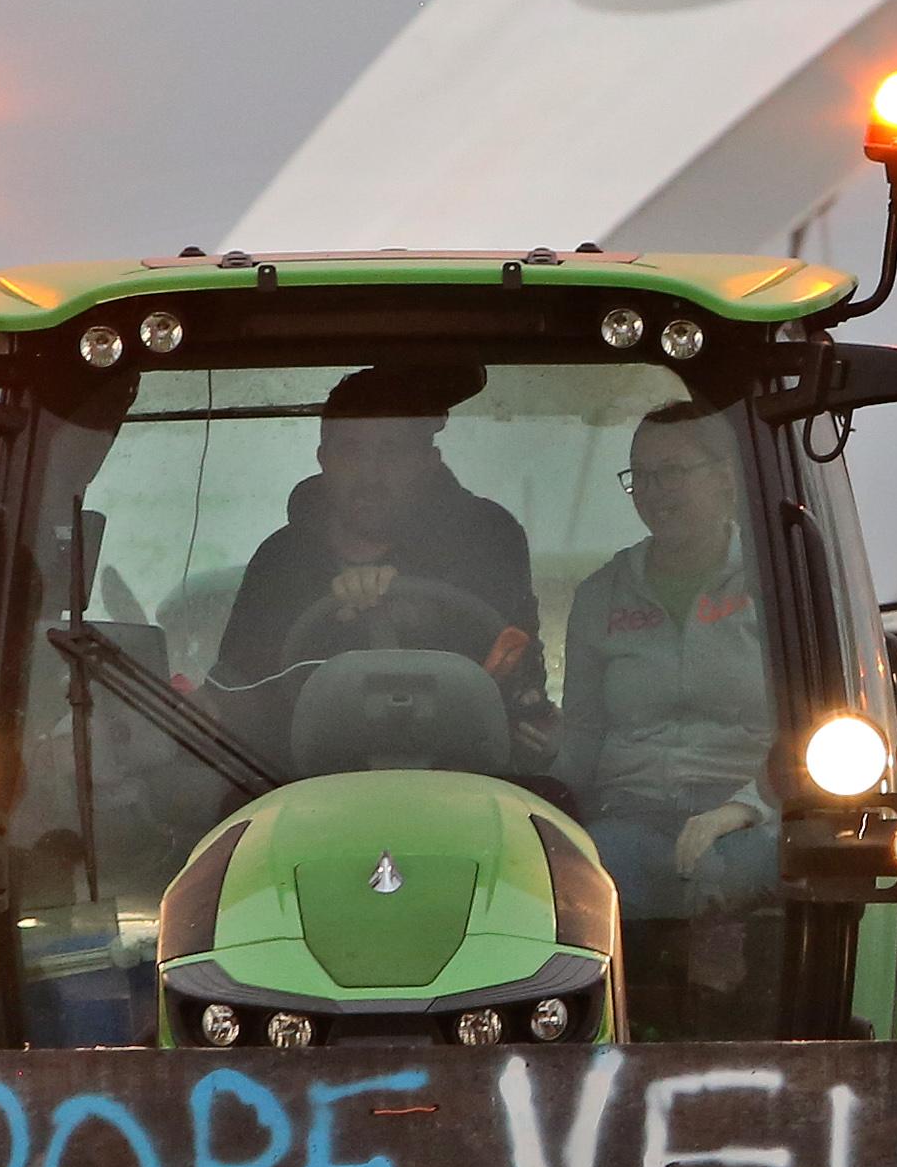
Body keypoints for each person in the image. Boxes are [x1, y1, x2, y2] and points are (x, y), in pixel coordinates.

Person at [557, 398, 780, 928]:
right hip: (628, 815)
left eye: (672, 472)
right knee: (578, 881)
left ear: (726, 478)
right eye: (642, 477)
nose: (655, 493)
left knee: (738, 871)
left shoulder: (776, 587)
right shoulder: (602, 595)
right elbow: (583, 733)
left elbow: (814, 731)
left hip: (752, 816)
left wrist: (742, 808)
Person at [213, 362, 543, 698]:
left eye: (392, 451)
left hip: (463, 750)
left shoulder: (486, 540)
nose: (370, 475)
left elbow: (520, 675)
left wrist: (420, 617)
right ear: (323, 458)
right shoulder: (281, 561)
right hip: (281, 753)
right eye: (351, 451)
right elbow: (234, 689)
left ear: (429, 463)